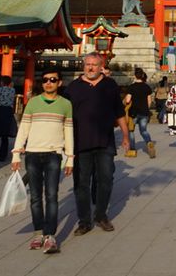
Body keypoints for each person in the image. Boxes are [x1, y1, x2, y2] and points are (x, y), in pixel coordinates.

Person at [63, 52, 129, 235]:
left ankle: (100, 215)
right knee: (81, 183)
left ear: (101, 67)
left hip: (104, 141)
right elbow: (64, 115)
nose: (90, 67)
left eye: (94, 64)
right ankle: (84, 221)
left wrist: (125, 136)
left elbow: (119, 112)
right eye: (87, 64)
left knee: (105, 180)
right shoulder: (73, 87)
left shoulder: (110, 85)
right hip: (80, 142)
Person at [11, 68, 73, 255]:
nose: (48, 83)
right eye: (45, 80)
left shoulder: (66, 104)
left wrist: (70, 158)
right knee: (36, 197)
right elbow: (23, 129)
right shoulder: (33, 103)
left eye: (53, 80)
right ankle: (38, 233)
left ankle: (50, 235)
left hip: (54, 154)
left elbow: (68, 131)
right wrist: (16, 154)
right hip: (32, 153)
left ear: (59, 83)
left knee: (52, 195)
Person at [124, 69, 155, 158]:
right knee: (143, 130)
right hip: (144, 112)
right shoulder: (146, 87)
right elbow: (149, 101)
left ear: (135, 76)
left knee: (131, 131)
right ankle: (149, 142)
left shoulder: (131, 87)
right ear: (142, 76)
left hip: (133, 112)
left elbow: (128, 100)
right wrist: (146, 109)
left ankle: (133, 150)